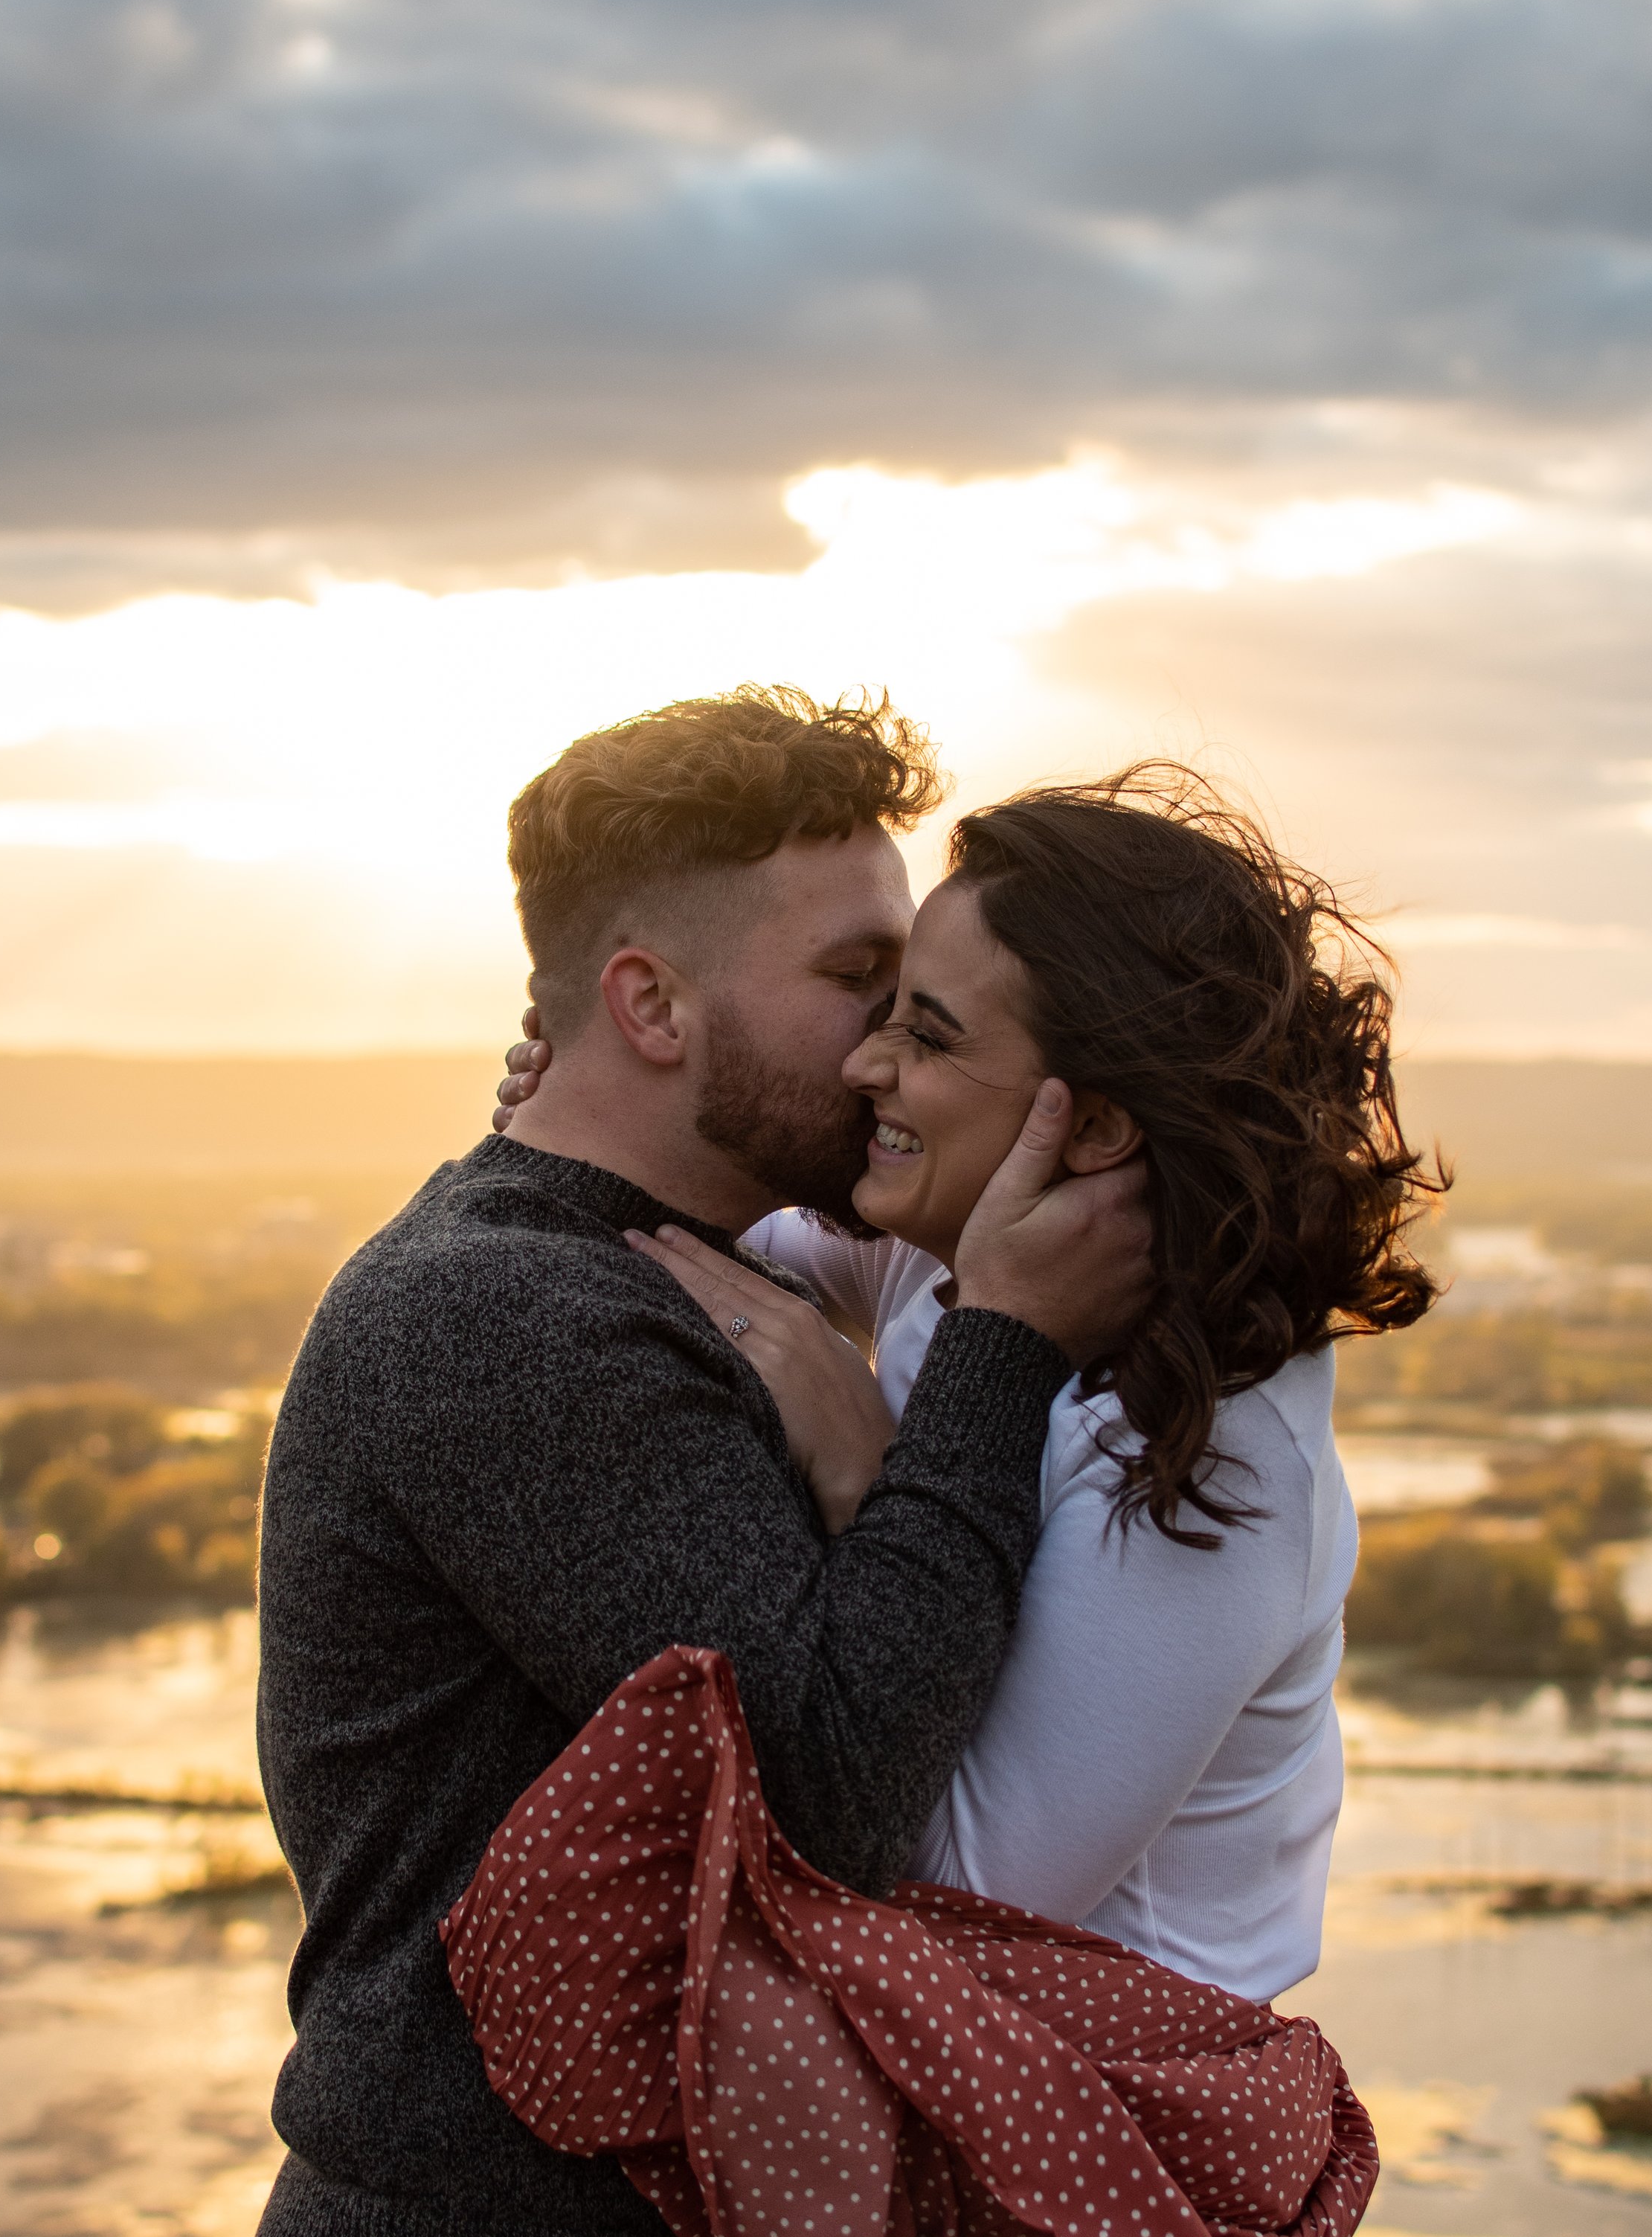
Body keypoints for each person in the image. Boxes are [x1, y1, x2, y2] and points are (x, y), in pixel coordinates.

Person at [248, 687, 1151, 2237]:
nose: (896, 1050)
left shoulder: (651, 1265)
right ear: (652, 1008)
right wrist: (1001, 1350)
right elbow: (820, 1772)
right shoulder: (513, 1318)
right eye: (857, 982)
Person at [500, 763, 1442, 2006]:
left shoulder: (1212, 1454)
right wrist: (593, 1108)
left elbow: (951, 1887)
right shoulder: (939, 1254)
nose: (864, 1066)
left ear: (1092, 1129)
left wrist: (873, 1465)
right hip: (958, 2076)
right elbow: (696, 1242)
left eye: (928, 1034)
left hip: (1110, 2119)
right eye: (877, 1004)